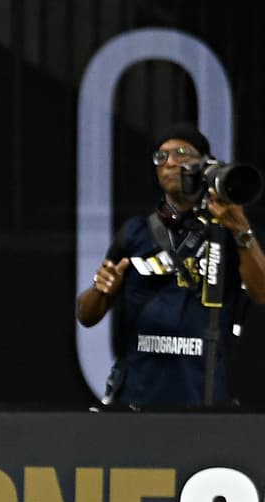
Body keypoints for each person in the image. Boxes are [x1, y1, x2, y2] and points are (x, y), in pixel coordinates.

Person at [77, 122, 265, 407]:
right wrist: (100, 289)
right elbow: (87, 316)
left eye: (182, 153)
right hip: (137, 398)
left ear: (204, 165)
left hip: (204, 400)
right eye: (161, 156)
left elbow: (261, 293)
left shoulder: (230, 233)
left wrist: (241, 230)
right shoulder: (136, 232)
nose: (170, 162)